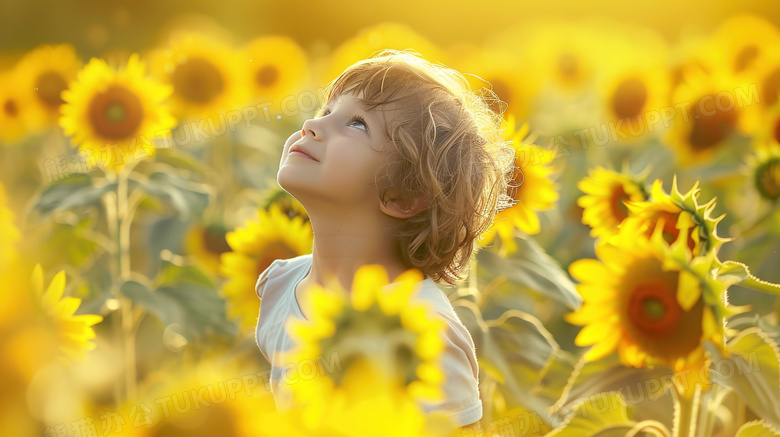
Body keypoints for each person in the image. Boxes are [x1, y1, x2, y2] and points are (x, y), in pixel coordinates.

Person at [254, 48, 515, 430]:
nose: (312, 124)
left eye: (357, 123)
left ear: (402, 196)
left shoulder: (426, 331)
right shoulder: (279, 285)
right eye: (327, 111)